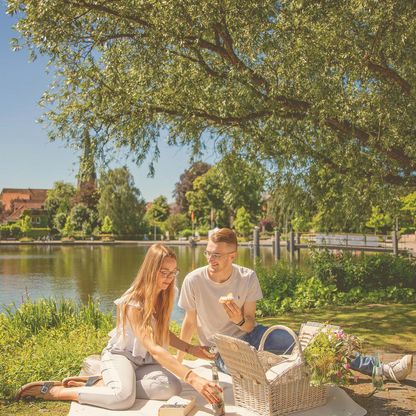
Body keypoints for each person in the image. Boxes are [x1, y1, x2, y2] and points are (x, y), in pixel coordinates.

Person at [177, 228, 413, 382]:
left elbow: (249, 325)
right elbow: (189, 322)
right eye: (208, 253)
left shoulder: (247, 277)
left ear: (233, 256)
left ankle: (381, 370)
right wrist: (178, 364)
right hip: (223, 350)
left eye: (217, 255)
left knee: (315, 343)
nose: (211, 259)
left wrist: (238, 318)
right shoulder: (193, 280)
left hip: (251, 335)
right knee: (261, 373)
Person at [16, 244, 221, 410]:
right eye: (163, 272)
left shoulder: (166, 292)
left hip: (144, 362)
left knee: (172, 387)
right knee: (122, 399)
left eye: (173, 272)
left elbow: (162, 332)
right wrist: (193, 378)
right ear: (150, 271)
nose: (169, 278)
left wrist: (192, 349)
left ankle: (102, 383)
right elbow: (154, 348)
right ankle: (57, 392)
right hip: (121, 356)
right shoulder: (133, 302)